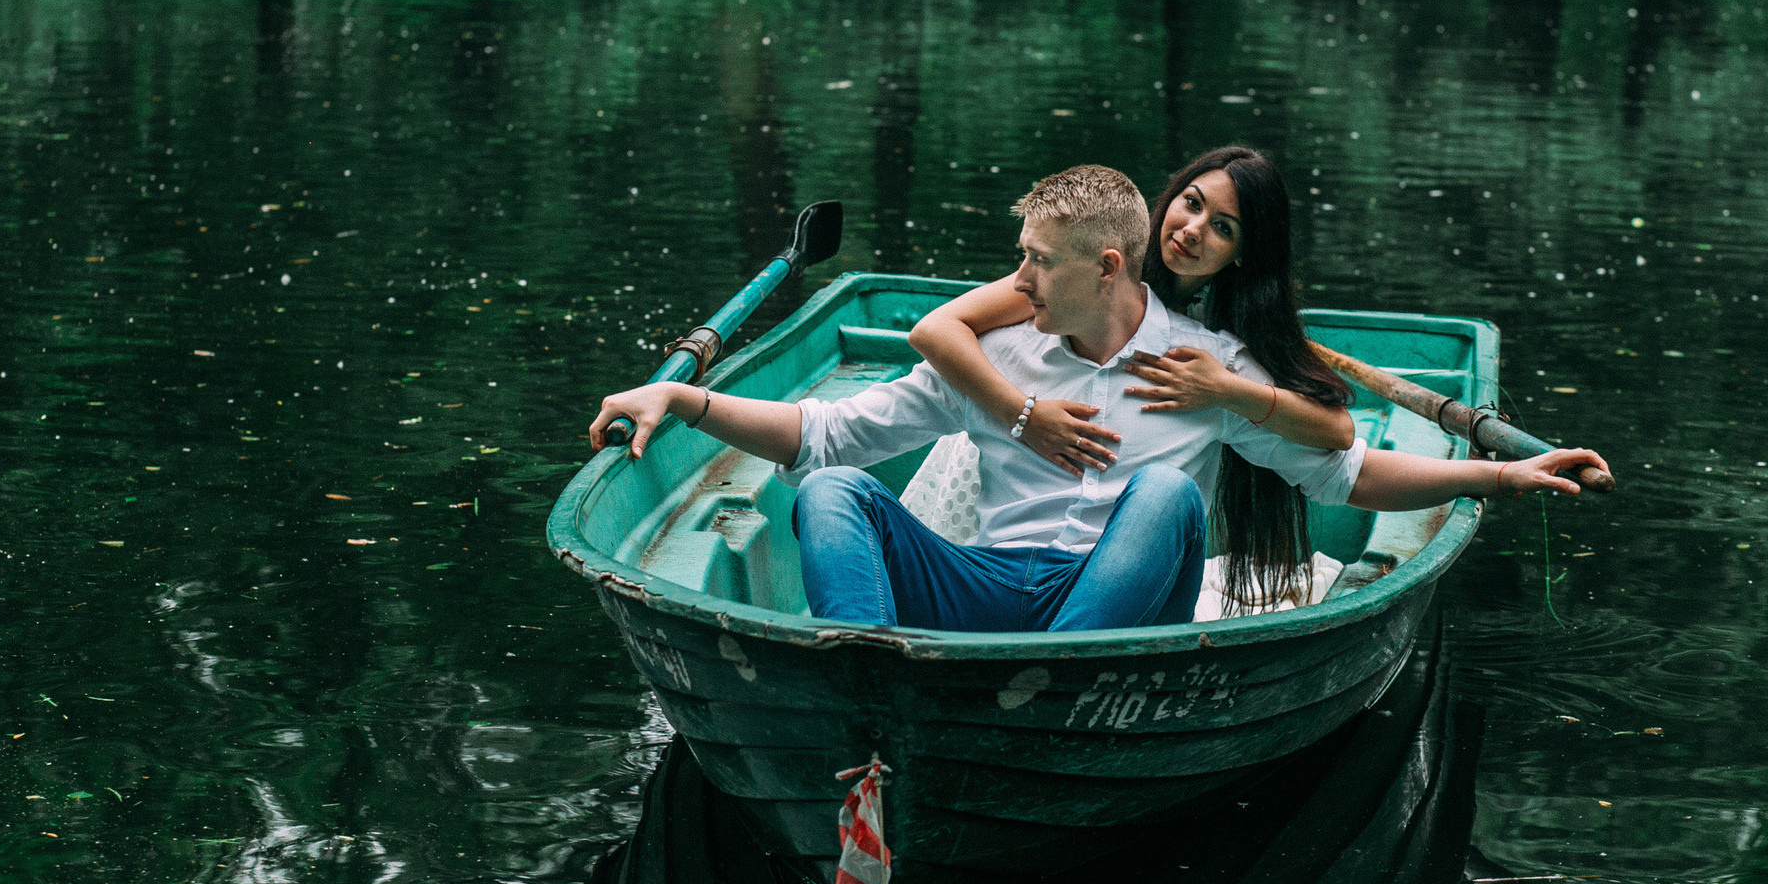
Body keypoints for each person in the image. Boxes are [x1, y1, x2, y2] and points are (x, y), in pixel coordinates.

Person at [588, 165, 1604, 634]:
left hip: (1113, 622)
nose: (1016, 282)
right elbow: (823, 429)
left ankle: (1049, 690)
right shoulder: (1004, 349)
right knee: (833, 491)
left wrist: (1504, 470)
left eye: (1034, 264)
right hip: (991, 585)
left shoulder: (1205, 367)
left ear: (1101, 266)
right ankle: (866, 691)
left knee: (1164, 498)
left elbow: (1351, 466)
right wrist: (683, 399)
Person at [906, 145, 1353, 611]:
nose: (1193, 231)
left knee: (1165, 491)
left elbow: (1338, 432)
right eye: (1192, 203)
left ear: (1244, 254)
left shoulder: (1226, 337)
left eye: (1223, 228)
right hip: (1015, 439)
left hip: (1131, 522)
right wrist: (1024, 414)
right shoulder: (1093, 279)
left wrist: (1224, 389)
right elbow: (935, 328)